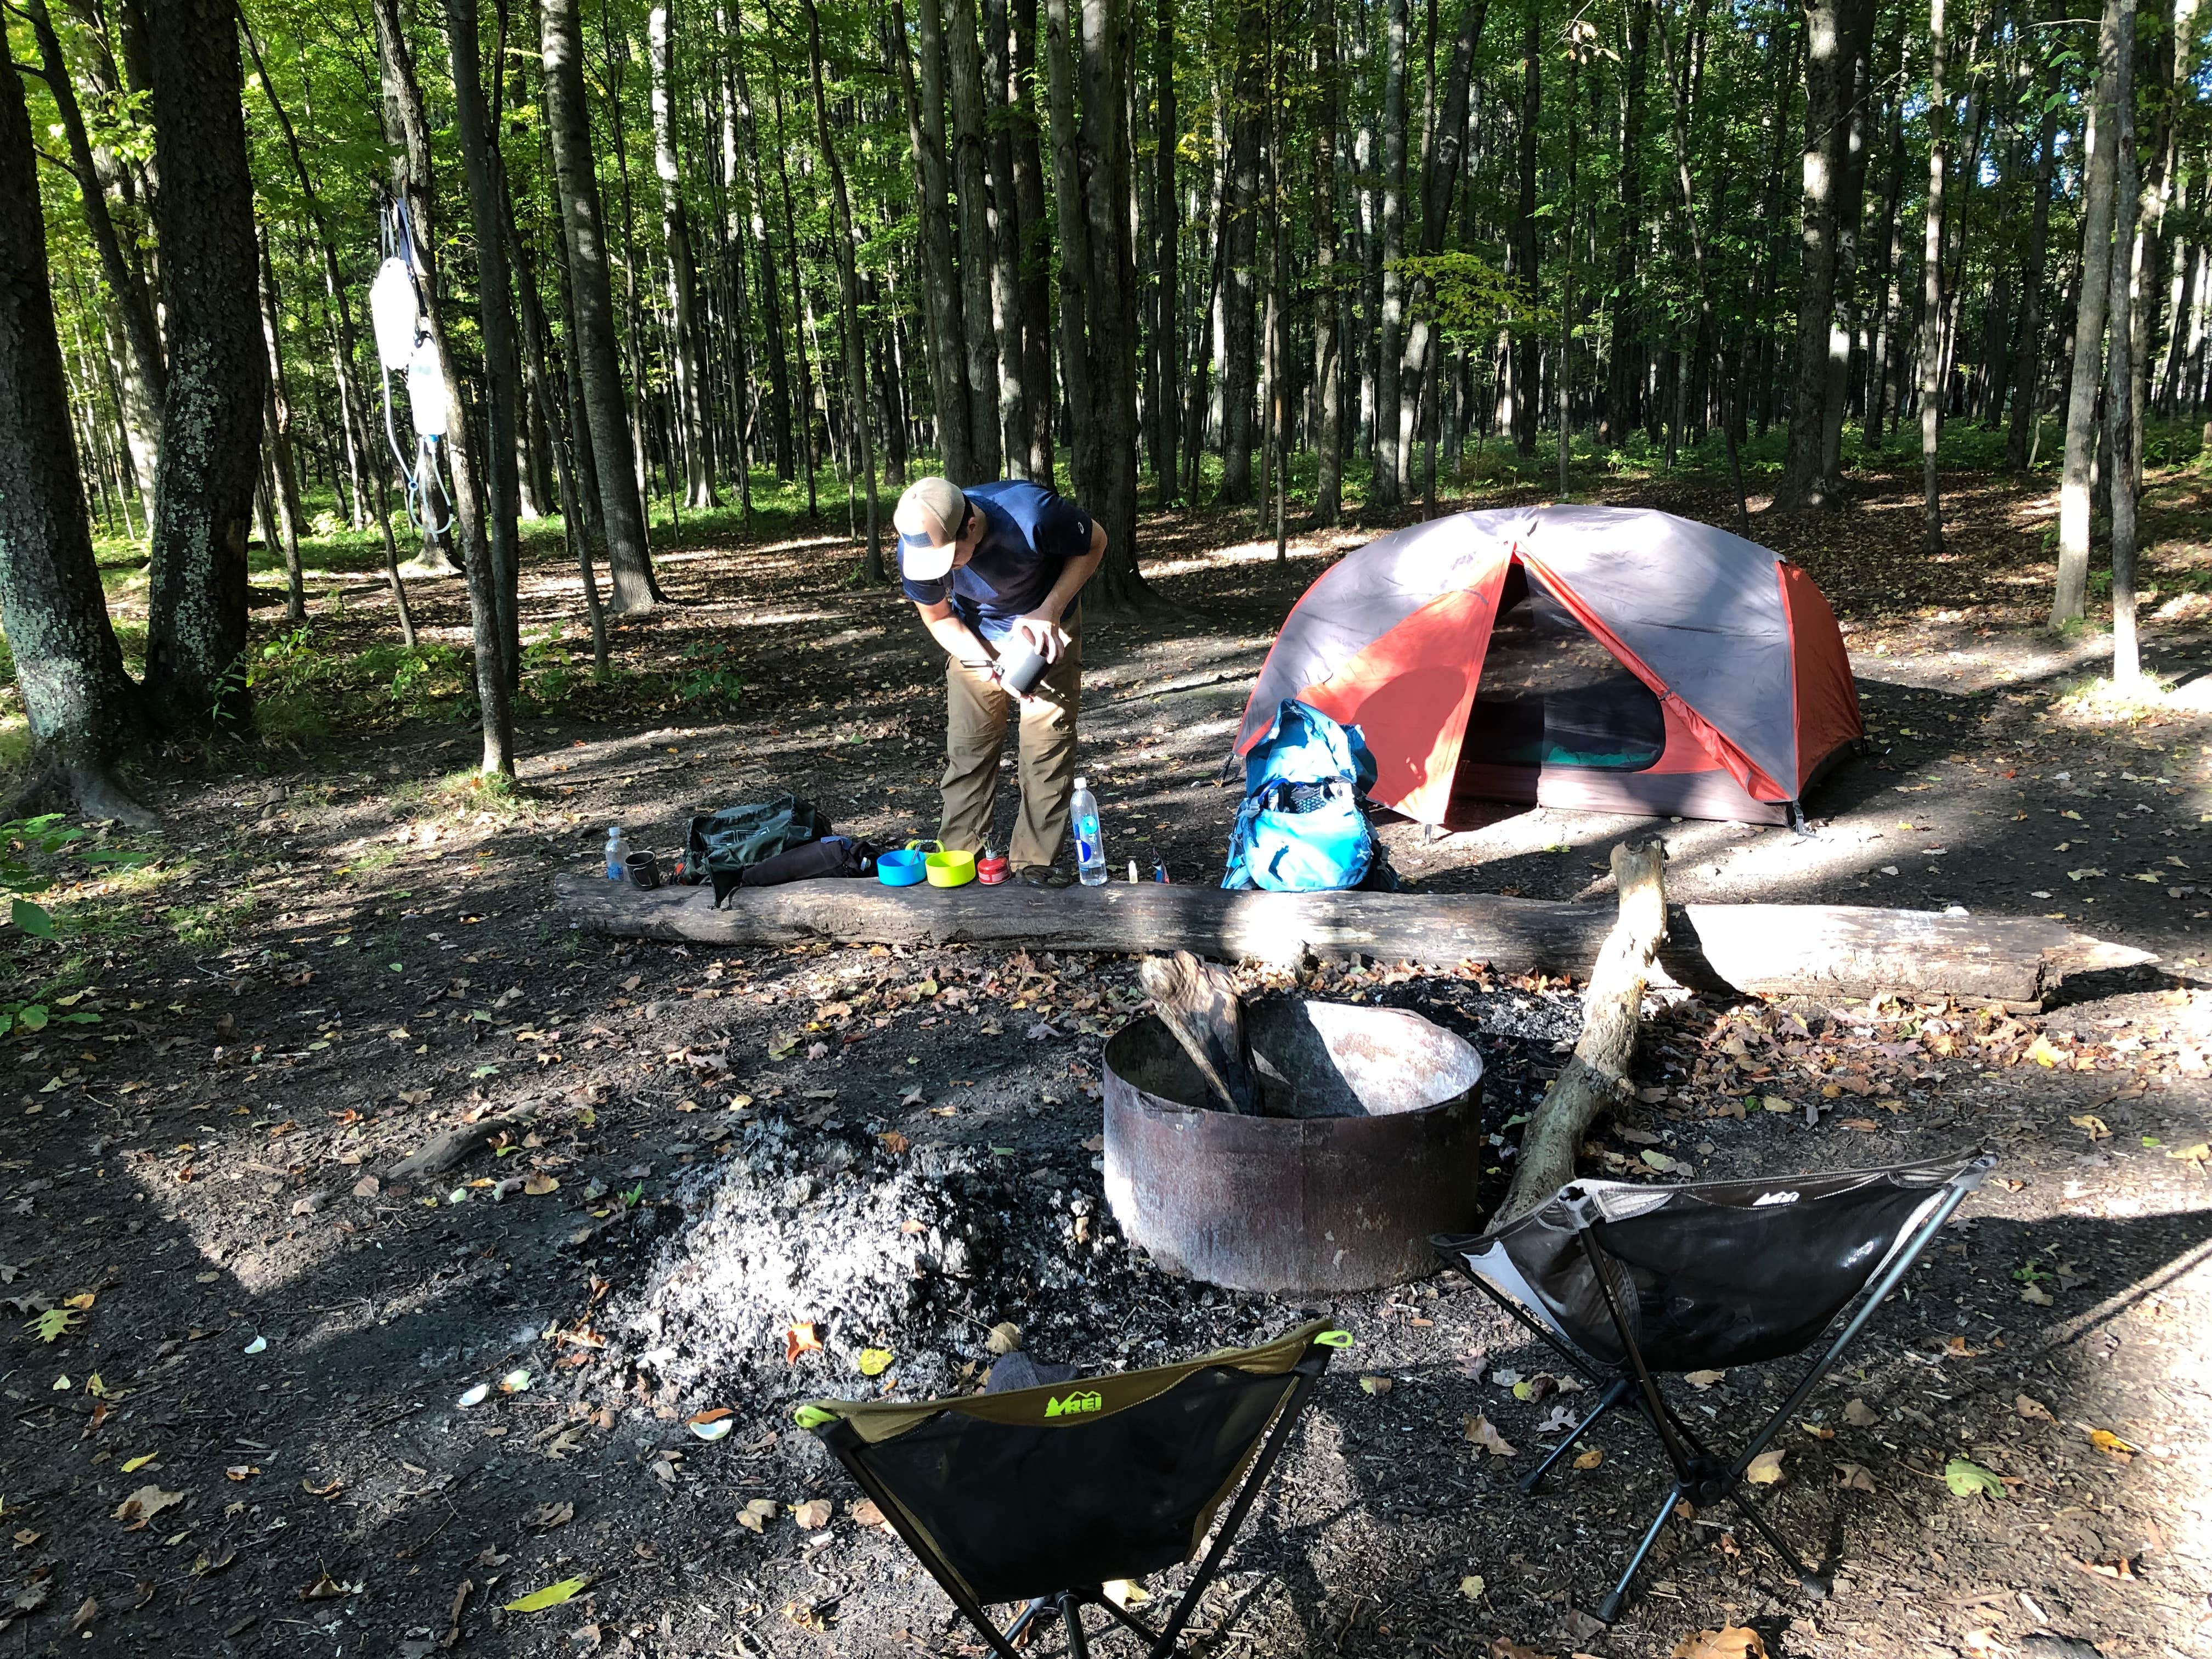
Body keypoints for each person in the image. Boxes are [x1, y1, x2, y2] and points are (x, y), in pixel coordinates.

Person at [896, 476, 1104, 885]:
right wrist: (984, 664)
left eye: (950, 560)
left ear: (972, 527)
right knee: (968, 750)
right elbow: (938, 617)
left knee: (1045, 752)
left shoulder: (1033, 515)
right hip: (972, 636)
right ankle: (959, 860)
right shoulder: (916, 546)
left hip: (1046, 631)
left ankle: (1033, 867)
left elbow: (1095, 541)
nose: (944, 571)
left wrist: (1050, 610)